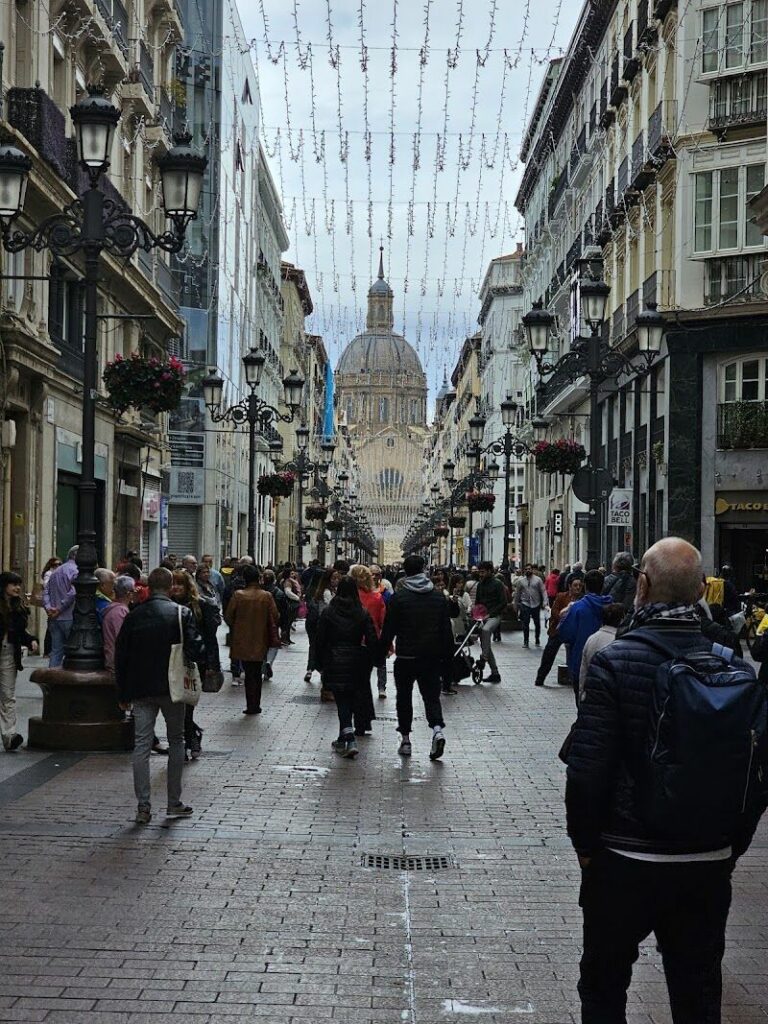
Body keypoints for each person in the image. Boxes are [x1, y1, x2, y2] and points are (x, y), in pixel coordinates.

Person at [566, 537, 768, 1024]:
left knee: (604, 986)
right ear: (701, 589)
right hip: (705, 861)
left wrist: (587, 847)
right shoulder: (732, 664)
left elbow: (588, 769)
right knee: (697, 990)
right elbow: (756, 775)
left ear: (641, 585)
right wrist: (729, 845)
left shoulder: (616, 659)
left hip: (623, 858)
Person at [115, 567, 205, 824]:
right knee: (176, 740)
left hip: (141, 688)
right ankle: (173, 801)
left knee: (142, 744)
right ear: (169, 587)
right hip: (172, 687)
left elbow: (121, 655)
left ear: (149, 586)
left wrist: (122, 691)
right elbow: (197, 648)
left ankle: (143, 805)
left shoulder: (134, 615)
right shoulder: (181, 613)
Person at [379, 554, 452, 760]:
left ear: (405, 572)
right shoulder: (438, 597)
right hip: (431, 656)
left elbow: (389, 628)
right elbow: (445, 630)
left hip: (406, 656)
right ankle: (437, 729)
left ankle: (405, 740)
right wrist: (447, 658)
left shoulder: (399, 598)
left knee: (404, 697)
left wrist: (383, 649)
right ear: (423, 570)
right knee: (431, 696)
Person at [315, 576, 378, 758]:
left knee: (342, 700)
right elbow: (371, 638)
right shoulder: (362, 612)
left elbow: (320, 639)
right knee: (349, 699)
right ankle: (344, 736)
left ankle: (348, 737)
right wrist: (372, 658)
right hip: (356, 660)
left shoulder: (329, 612)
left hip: (334, 659)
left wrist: (319, 662)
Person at [170, 570, 220, 759]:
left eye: (179, 584)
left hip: (192, 661)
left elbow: (209, 638)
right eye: (173, 584)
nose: (175, 587)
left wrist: (211, 665)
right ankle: (191, 736)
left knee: (187, 703)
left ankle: (187, 740)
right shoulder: (167, 605)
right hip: (172, 661)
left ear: (187, 586)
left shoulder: (200, 606)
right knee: (176, 705)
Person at [224, 565, 280, 715]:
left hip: (243, 639)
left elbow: (229, 616)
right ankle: (256, 704)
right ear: (259, 578)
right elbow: (275, 615)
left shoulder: (238, 595)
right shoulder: (266, 596)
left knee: (249, 673)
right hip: (261, 639)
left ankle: (251, 705)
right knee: (256, 672)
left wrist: (238, 626)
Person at [556, 568, 612, 700]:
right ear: (602, 585)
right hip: (608, 662)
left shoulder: (577, 608)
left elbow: (565, 634)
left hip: (580, 662)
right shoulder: (611, 606)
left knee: (581, 700)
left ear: (585, 586)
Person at [0, 571, 37, 751]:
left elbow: (20, 633)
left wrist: (30, 640)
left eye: (18, 584)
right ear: (4, 586)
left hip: (9, 654)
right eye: (13, 584)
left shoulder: (18, 607)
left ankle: (9, 736)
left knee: (8, 696)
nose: (17, 588)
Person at [535, 578, 585, 687]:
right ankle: (540, 678)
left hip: (574, 632)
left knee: (575, 656)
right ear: (569, 586)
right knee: (549, 654)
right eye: (575, 585)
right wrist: (566, 618)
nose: (578, 588)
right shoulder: (561, 596)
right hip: (558, 630)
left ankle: (573, 678)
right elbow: (555, 612)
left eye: (580, 586)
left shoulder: (583, 600)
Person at [350, 564, 385, 717]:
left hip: (349, 643)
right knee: (364, 681)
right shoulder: (377, 598)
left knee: (352, 681)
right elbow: (383, 622)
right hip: (369, 643)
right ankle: (364, 717)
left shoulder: (347, 598)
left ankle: (352, 717)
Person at [577, 601, 625, 701]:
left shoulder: (591, 639)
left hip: (590, 694)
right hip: (610, 698)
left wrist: (581, 695)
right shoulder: (620, 641)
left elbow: (583, 672)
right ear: (621, 620)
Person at [43, 545, 79, 668]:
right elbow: (74, 592)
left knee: (56, 651)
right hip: (68, 616)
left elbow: (46, 592)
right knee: (74, 651)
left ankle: (52, 681)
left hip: (54, 618)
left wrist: (49, 608)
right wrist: (60, 608)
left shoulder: (55, 572)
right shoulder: (75, 570)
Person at [472, 561, 508, 683]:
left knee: (486, 630)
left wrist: (490, 614)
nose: (480, 574)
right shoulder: (480, 585)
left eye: (482, 572)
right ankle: (495, 673)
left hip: (494, 616)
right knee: (485, 644)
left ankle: (484, 657)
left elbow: (503, 602)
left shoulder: (498, 584)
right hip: (482, 616)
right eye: (479, 572)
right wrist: (475, 614)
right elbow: (478, 602)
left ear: (489, 571)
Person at [102, 575, 135, 672]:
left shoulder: (114, 609)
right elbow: (122, 639)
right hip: (117, 662)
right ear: (129, 594)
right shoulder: (120, 612)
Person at [513, 564, 548, 649]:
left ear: (532, 570)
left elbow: (543, 591)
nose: (528, 570)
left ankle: (537, 639)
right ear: (524, 571)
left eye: (529, 569)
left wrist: (545, 601)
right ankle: (526, 641)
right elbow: (517, 593)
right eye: (526, 569)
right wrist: (515, 604)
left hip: (536, 604)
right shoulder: (521, 581)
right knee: (525, 623)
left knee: (537, 623)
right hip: (525, 604)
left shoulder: (538, 580)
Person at [260, 569, 285, 680]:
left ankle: (264, 665)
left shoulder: (259, 592)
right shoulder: (279, 593)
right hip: (274, 623)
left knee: (262, 645)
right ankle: (269, 662)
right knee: (273, 644)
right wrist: (284, 626)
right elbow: (284, 611)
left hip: (260, 623)